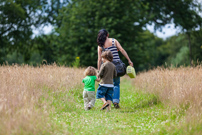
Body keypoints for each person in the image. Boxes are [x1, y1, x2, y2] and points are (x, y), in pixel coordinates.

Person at [97, 29, 133, 109]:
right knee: (116, 84)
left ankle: (107, 103)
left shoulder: (100, 45)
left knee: (107, 84)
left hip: (106, 67)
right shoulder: (113, 41)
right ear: (107, 35)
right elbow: (122, 50)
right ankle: (116, 101)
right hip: (116, 66)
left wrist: (99, 70)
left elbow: (99, 59)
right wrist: (129, 60)